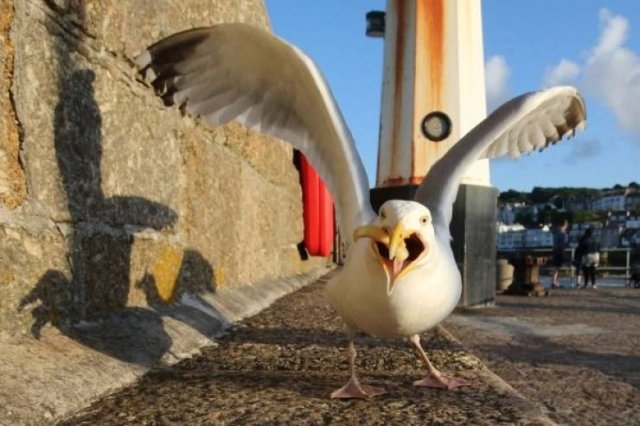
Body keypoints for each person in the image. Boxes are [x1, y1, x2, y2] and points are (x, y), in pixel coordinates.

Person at [551, 219, 569, 288]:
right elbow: (564, 243)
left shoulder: (555, 231)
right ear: (565, 225)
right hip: (560, 250)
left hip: (555, 250)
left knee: (556, 267)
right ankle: (554, 282)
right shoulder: (563, 233)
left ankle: (554, 281)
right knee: (557, 267)